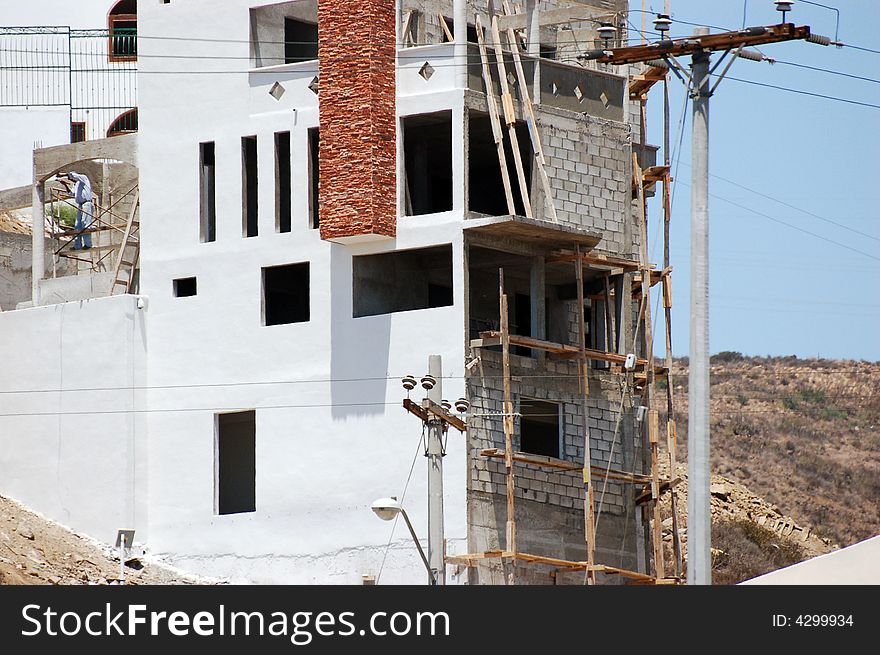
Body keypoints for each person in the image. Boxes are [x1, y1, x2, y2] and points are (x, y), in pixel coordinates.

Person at [58, 171, 94, 250]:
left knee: (85, 223)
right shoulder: (76, 185)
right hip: (81, 205)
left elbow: (75, 175)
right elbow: (71, 193)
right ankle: (78, 245)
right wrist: (65, 185)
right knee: (78, 225)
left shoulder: (84, 178)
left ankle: (88, 244)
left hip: (86, 204)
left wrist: (64, 174)